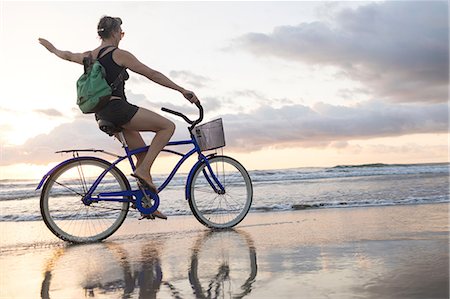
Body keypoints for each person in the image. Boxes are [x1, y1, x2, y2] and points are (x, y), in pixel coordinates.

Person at [39, 16, 199, 220]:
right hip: (118, 109)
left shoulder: (89, 56)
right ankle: (144, 171)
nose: (121, 36)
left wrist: (51, 48)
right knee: (167, 127)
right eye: (121, 32)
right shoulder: (119, 54)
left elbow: (67, 55)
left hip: (101, 114)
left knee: (142, 154)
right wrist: (181, 90)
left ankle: (146, 204)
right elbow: (151, 74)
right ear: (114, 33)